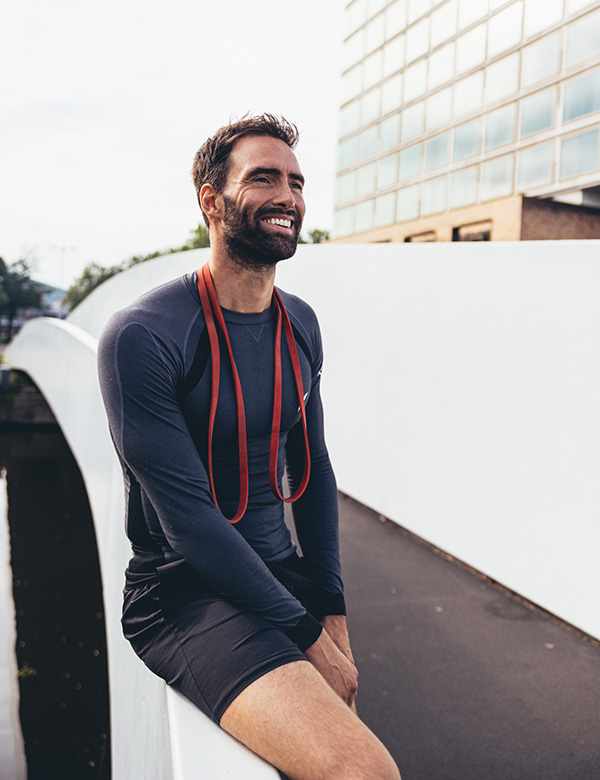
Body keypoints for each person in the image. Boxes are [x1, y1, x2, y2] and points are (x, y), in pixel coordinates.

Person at [98, 114, 401, 780]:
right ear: (211, 200)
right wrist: (306, 637)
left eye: (295, 182)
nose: (287, 196)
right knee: (365, 771)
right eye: (263, 178)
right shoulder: (145, 336)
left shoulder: (300, 323)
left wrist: (332, 608)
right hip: (183, 594)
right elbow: (189, 522)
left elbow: (314, 470)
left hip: (278, 573)